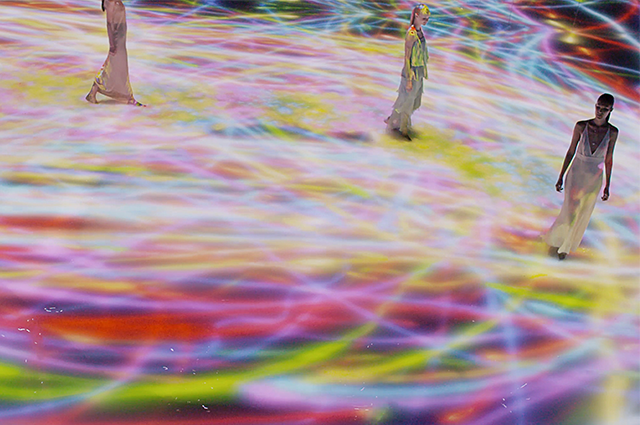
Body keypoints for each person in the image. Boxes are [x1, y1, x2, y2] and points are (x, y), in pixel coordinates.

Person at [544, 93, 619, 260]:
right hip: (576, 173)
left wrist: (607, 185)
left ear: (610, 110)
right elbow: (571, 151)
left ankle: (565, 247)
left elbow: (609, 158)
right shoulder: (581, 126)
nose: (599, 111)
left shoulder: (612, 132)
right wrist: (561, 175)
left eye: (604, 109)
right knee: (569, 210)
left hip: (594, 177)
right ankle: (556, 242)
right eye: (598, 107)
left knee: (582, 213)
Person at [385, 4, 430, 141]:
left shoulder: (419, 31)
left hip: (419, 71)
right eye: (424, 18)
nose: (426, 21)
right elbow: (407, 57)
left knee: (415, 102)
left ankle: (393, 119)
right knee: (407, 101)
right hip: (411, 72)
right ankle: (402, 129)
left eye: (427, 19)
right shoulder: (411, 34)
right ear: (416, 16)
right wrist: (409, 79)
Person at [86, 0, 144, 106]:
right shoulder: (110, 2)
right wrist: (112, 44)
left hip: (120, 35)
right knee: (113, 63)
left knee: (119, 65)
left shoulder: (116, 1)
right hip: (116, 37)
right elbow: (109, 24)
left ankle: (127, 96)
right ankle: (95, 90)